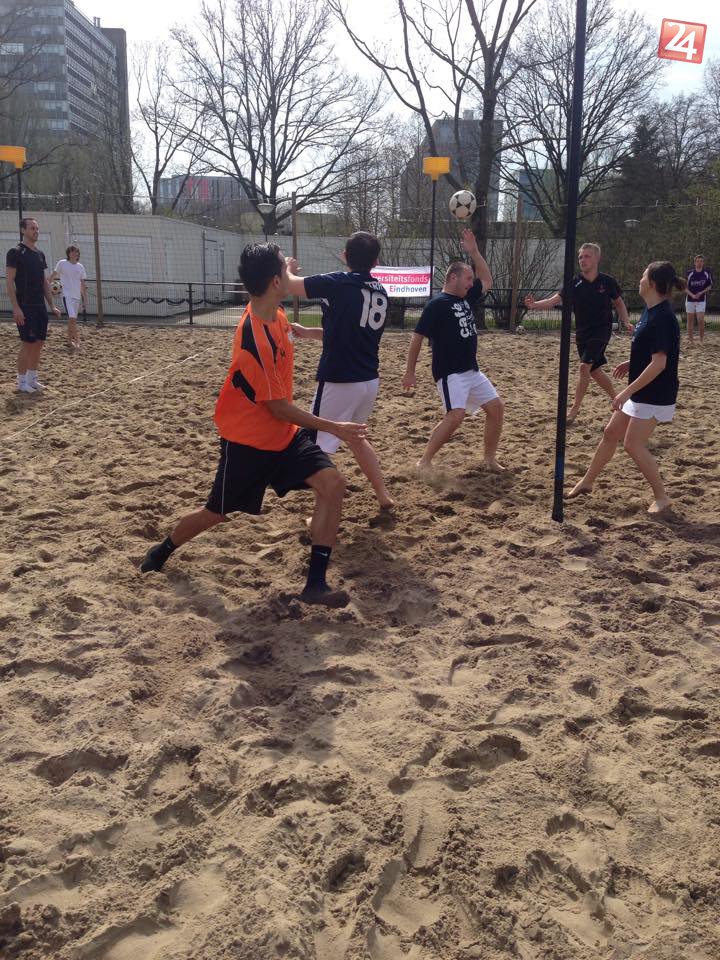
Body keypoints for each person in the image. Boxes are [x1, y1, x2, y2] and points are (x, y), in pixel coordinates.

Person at [140, 242, 367, 606]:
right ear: (275, 282)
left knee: (333, 485)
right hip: (247, 442)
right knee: (215, 514)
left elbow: (280, 292)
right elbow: (278, 408)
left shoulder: (273, 311)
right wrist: (334, 427)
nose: (291, 276)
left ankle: (315, 585)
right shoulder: (254, 337)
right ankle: (162, 550)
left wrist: (285, 268)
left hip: (284, 438)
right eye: (285, 272)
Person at [285, 231, 394, 509]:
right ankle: (383, 495)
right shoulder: (380, 291)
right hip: (368, 380)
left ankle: (321, 515)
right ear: (376, 262)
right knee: (357, 440)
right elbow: (348, 334)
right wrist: (309, 332)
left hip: (340, 378)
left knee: (316, 449)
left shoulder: (338, 282)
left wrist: (287, 267)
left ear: (345, 256)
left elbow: (290, 285)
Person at [566, 261, 683, 514]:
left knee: (632, 444)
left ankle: (662, 497)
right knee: (610, 433)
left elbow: (660, 363)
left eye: (643, 276)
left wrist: (625, 391)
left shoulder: (663, 317)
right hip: (642, 390)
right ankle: (587, 482)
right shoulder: (650, 310)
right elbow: (653, 351)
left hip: (655, 393)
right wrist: (633, 363)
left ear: (652, 283)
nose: (639, 280)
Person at [402, 228, 505, 471]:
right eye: (467, 279)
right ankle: (424, 462)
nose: (471, 283)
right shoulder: (437, 304)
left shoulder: (466, 298)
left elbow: (487, 280)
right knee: (456, 415)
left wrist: (474, 252)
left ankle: (489, 459)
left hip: (471, 370)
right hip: (450, 373)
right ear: (452, 278)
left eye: (471, 279)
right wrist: (410, 372)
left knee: (496, 408)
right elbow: (417, 338)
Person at [525, 243, 633, 423]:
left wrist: (626, 321)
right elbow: (554, 300)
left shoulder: (607, 281)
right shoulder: (574, 282)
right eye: (580, 257)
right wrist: (534, 305)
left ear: (597, 258)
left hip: (601, 330)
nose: (583, 260)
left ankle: (573, 410)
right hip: (582, 333)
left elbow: (619, 303)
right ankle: (619, 401)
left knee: (584, 367)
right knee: (594, 371)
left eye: (587, 256)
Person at [5, 217, 61, 393]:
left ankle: (32, 379)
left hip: (39, 306)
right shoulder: (15, 252)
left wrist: (52, 305)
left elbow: (44, 282)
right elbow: (9, 282)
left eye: (37, 228)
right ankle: (21, 382)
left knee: (39, 342)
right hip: (25, 305)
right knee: (27, 343)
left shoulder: (39, 254)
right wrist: (16, 307)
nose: (36, 231)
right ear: (23, 230)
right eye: (32, 228)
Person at [50, 244, 87, 349]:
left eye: (76, 251)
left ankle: (69, 341)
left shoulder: (80, 267)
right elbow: (53, 276)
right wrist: (47, 285)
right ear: (68, 253)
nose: (75, 253)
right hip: (67, 296)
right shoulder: (62, 263)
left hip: (77, 297)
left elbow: (82, 284)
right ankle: (77, 341)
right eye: (72, 251)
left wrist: (85, 300)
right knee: (72, 318)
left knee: (72, 320)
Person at [685, 254, 712, 345]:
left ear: (703, 262)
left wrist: (701, 292)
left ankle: (701, 340)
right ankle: (691, 340)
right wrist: (692, 295)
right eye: (697, 261)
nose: (699, 262)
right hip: (690, 299)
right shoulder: (689, 273)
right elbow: (684, 287)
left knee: (700, 319)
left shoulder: (706, 273)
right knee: (690, 321)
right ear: (694, 262)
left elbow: (709, 286)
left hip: (701, 300)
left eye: (701, 261)